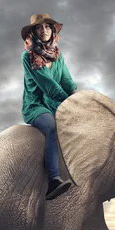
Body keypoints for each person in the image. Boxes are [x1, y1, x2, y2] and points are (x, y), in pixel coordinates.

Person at [21, 13, 77, 201]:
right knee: (52, 127)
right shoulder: (29, 56)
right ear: (34, 32)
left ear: (52, 30)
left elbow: (67, 81)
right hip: (37, 107)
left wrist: (79, 99)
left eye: (47, 26)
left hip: (56, 105)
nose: (43, 30)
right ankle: (53, 180)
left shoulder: (58, 56)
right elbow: (48, 86)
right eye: (39, 27)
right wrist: (68, 103)